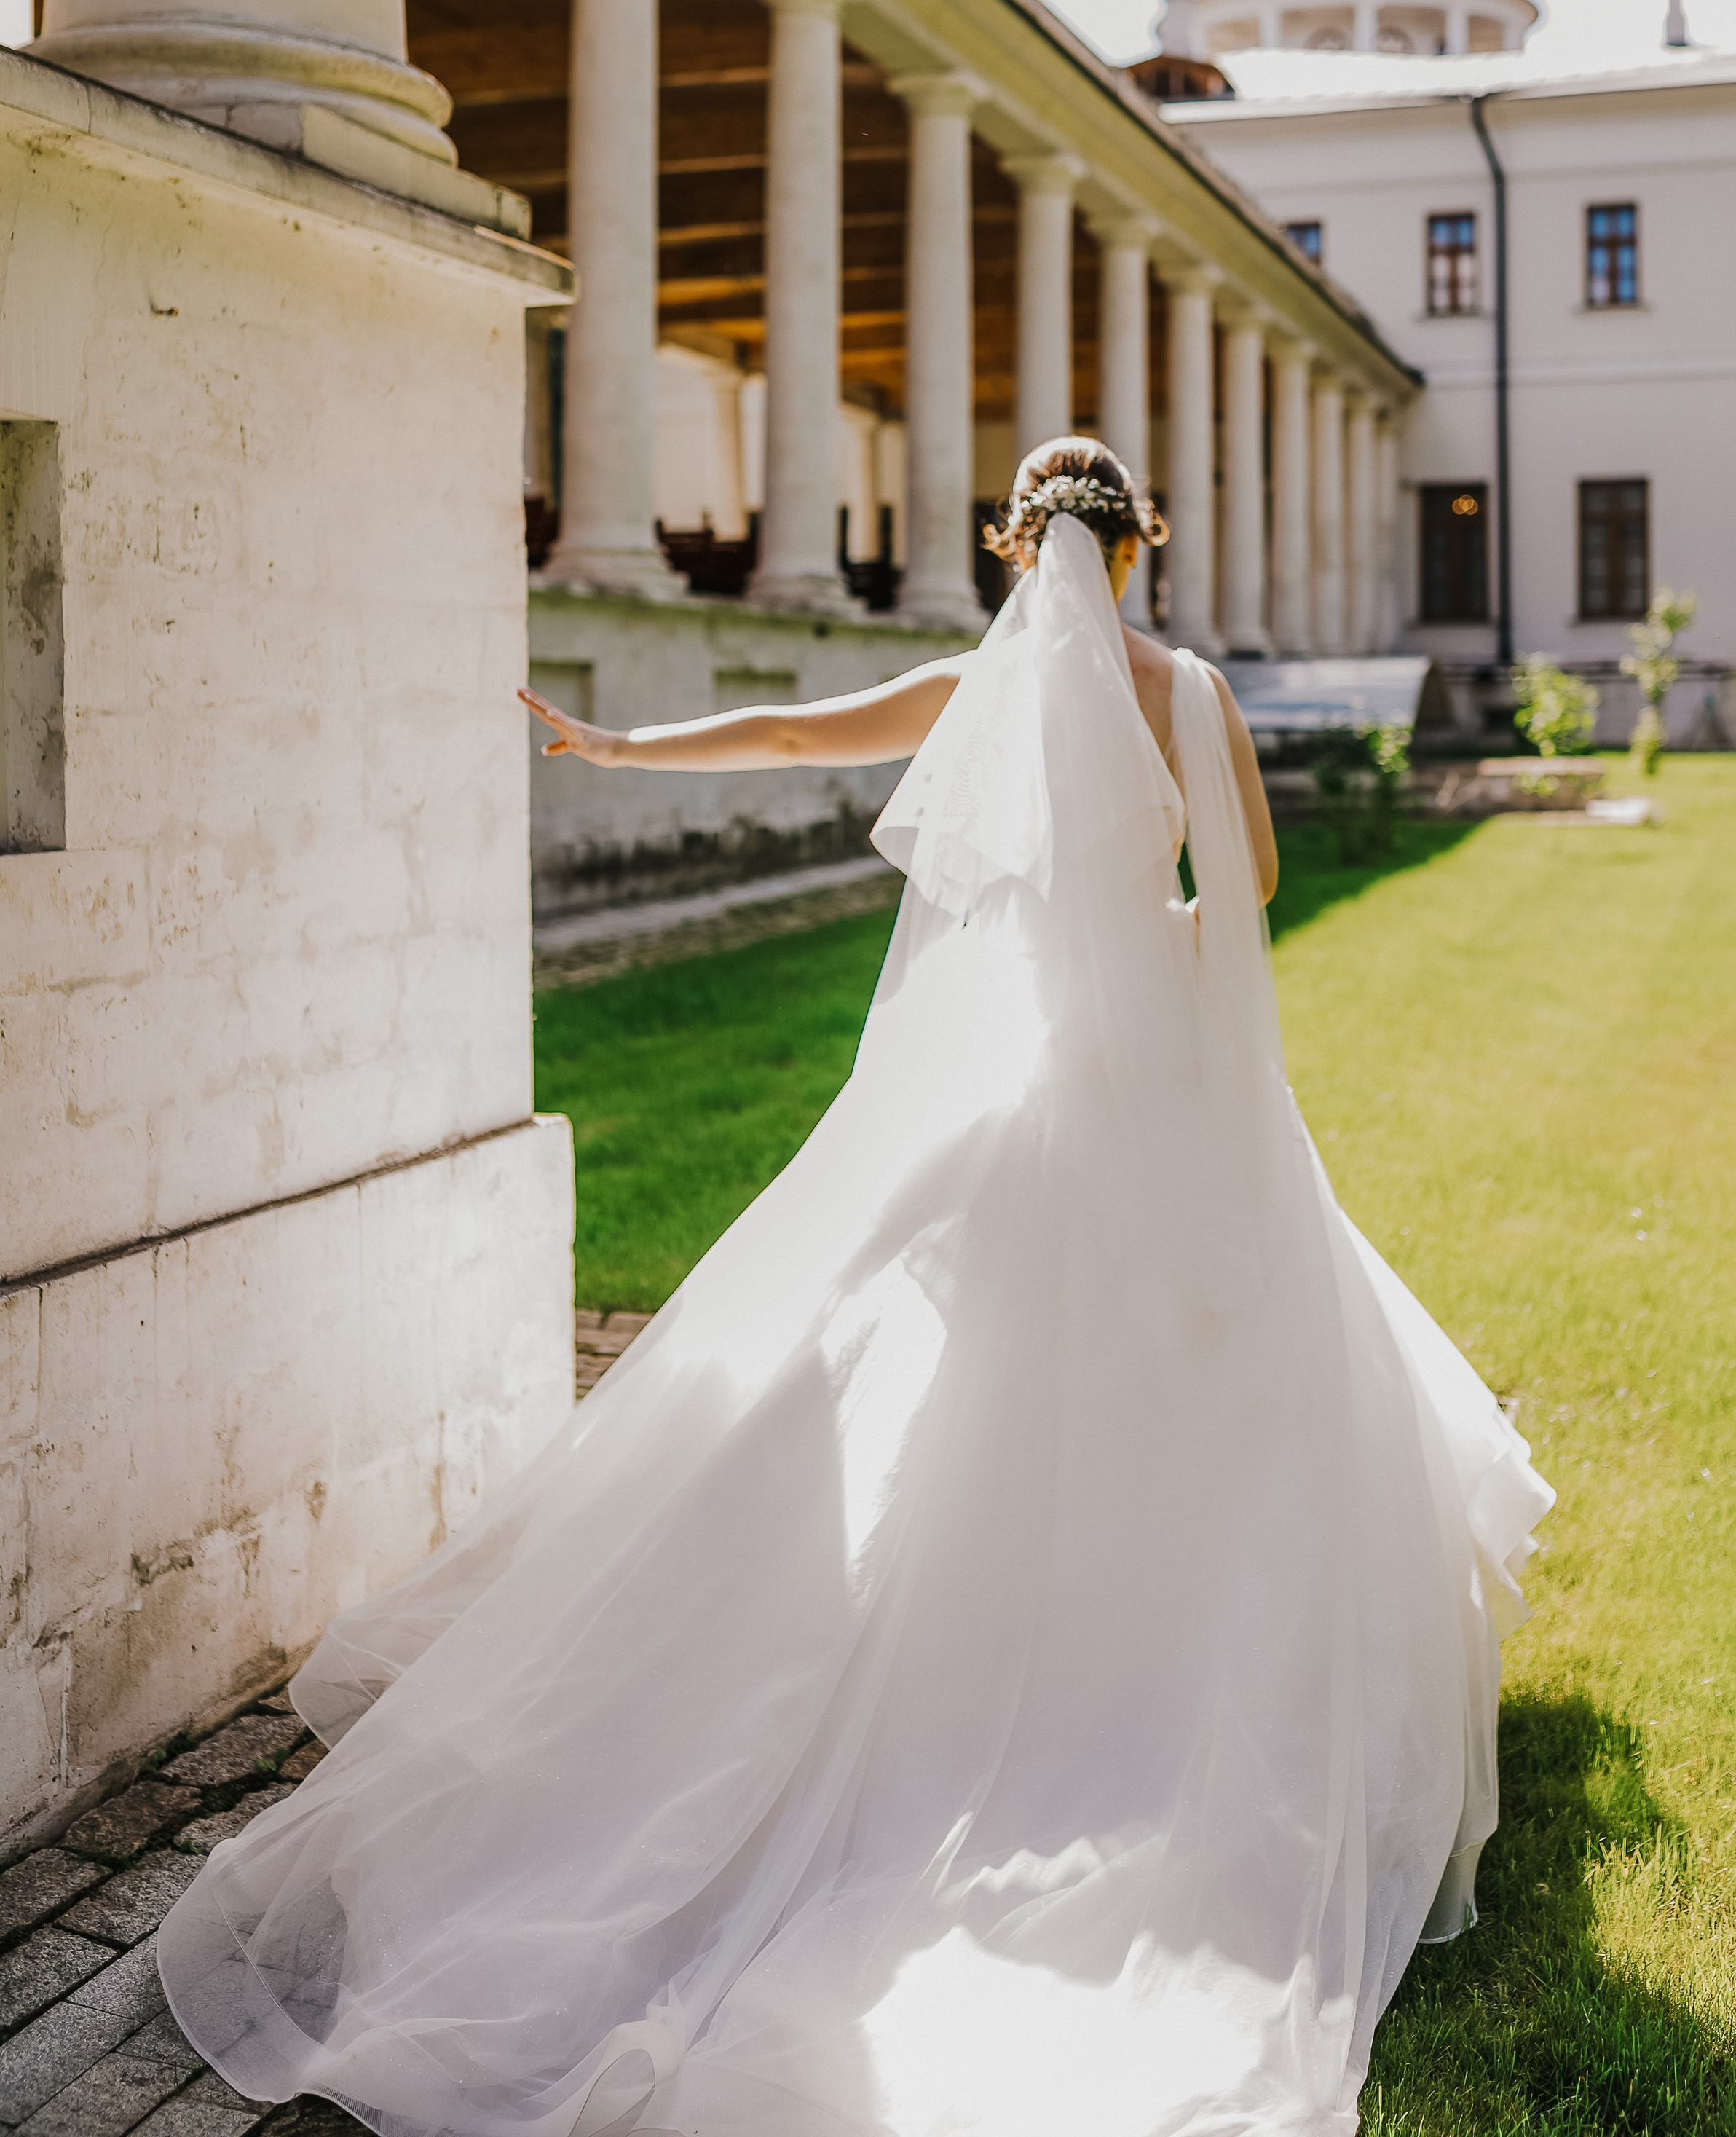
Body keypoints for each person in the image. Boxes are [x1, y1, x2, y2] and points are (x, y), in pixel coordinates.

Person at [159, 438, 1552, 2137]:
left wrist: (612, 742)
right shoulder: (1187, 690)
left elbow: (793, 733)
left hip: (1007, 1093)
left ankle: (886, 1698)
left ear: (1013, 545)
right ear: (1135, 548)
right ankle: (1134, 1701)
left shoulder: (977, 685)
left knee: (897, 1373)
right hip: (1152, 1105)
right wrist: (1155, 949)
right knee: (1202, 1385)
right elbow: (1244, 890)